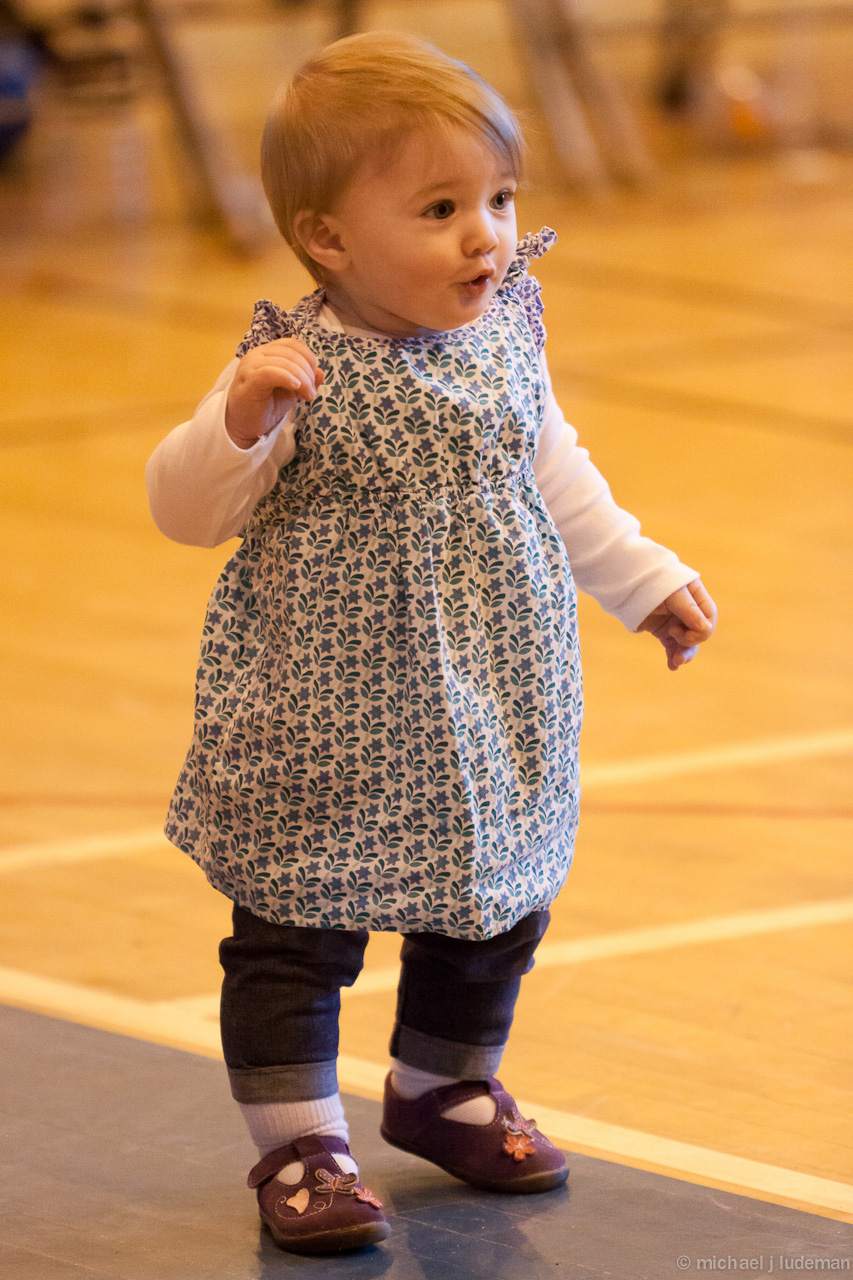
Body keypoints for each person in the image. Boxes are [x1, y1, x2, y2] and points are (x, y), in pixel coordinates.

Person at [146, 30, 717, 1256]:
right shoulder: (291, 371)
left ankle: (442, 1086)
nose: (485, 237)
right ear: (327, 238)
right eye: (441, 209)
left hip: (495, 686)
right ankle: (301, 1143)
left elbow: (554, 472)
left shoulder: (505, 331)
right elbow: (183, 510)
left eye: (499, 200)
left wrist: (642, 577)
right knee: (295, 926)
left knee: (497, 897)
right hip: (327, 710)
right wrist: (236, 421)